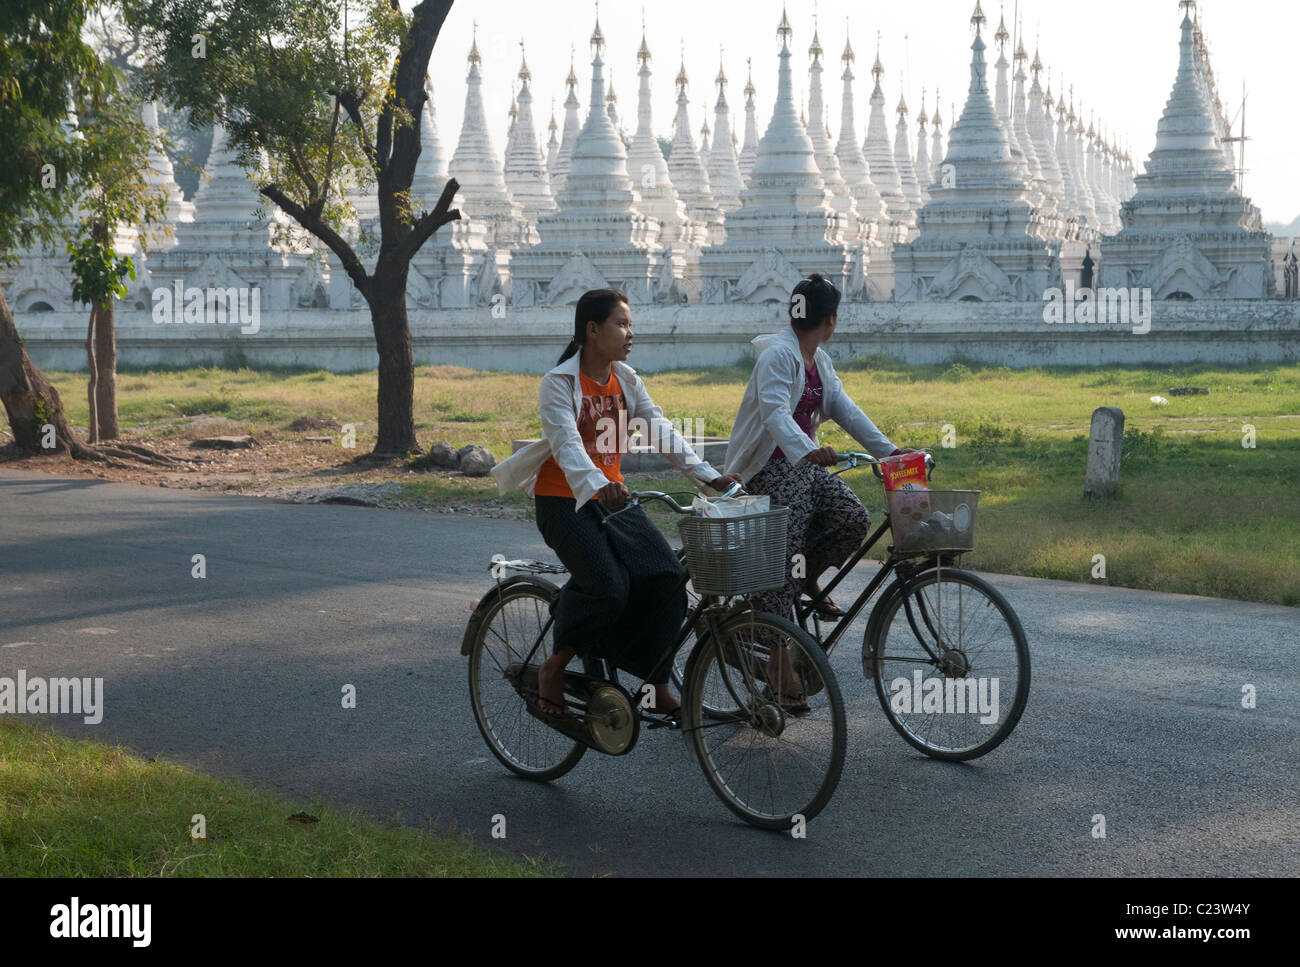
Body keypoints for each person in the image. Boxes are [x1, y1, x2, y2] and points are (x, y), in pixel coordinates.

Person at [491, 289, 740, 719]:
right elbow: (566, 444)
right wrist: (597, 481)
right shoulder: (559, 383)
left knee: (667, 576)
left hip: (613, 499)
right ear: (592, 330)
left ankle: (655, 682)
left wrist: (707, 475)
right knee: (608, 585)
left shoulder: (626, 379)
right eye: (621, 324)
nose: (630, 333)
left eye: (630, 324)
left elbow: (661, 429)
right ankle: (553, 669)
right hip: (562, 501)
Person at [725, 275, 908, 705]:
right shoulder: (778, 355)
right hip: (763, 471)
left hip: (801, 470)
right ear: (831, 318)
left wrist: (891, 452)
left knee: (852, 518)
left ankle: (804, 581)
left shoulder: (817, 360)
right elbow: (774, 414)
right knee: (783, 554)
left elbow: (845, 409)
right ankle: (776, 658)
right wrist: (809, 450)